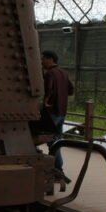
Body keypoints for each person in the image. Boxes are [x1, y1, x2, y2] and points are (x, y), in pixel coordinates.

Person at [42, 51, 74, 182]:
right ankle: (58, 171)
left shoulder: (50, 74)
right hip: (62, 112)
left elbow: (48, 91)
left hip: (51, 113)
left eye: (43, 59)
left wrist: (46, 102)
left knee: (50, 142)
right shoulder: (64, 73)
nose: (42, 61)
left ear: (50, 59)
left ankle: (57, 171)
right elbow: (71, 91)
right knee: (56, 142)